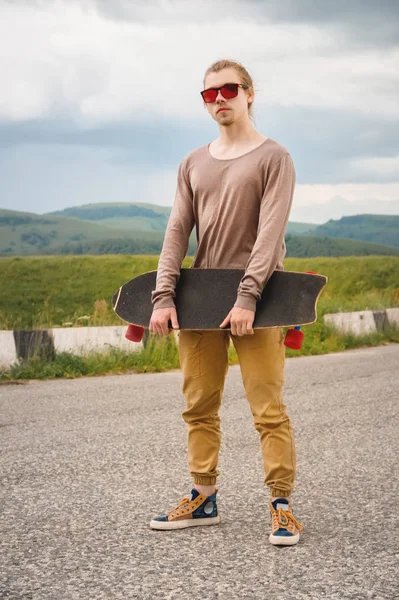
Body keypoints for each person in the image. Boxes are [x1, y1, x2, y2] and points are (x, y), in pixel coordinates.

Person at [148, 59, 304, 545]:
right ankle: (203, 497)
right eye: (208, 94)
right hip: (199, 300)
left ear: (250, 93)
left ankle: (281, 505)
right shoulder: (192, 162)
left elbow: (270, 232)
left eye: (228, 90)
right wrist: (163, 295)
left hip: (257, 301)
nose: (219, 99)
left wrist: (248, 297)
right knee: (198, 405)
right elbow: (177, 230)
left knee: (268, 408)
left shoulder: (274, 157)